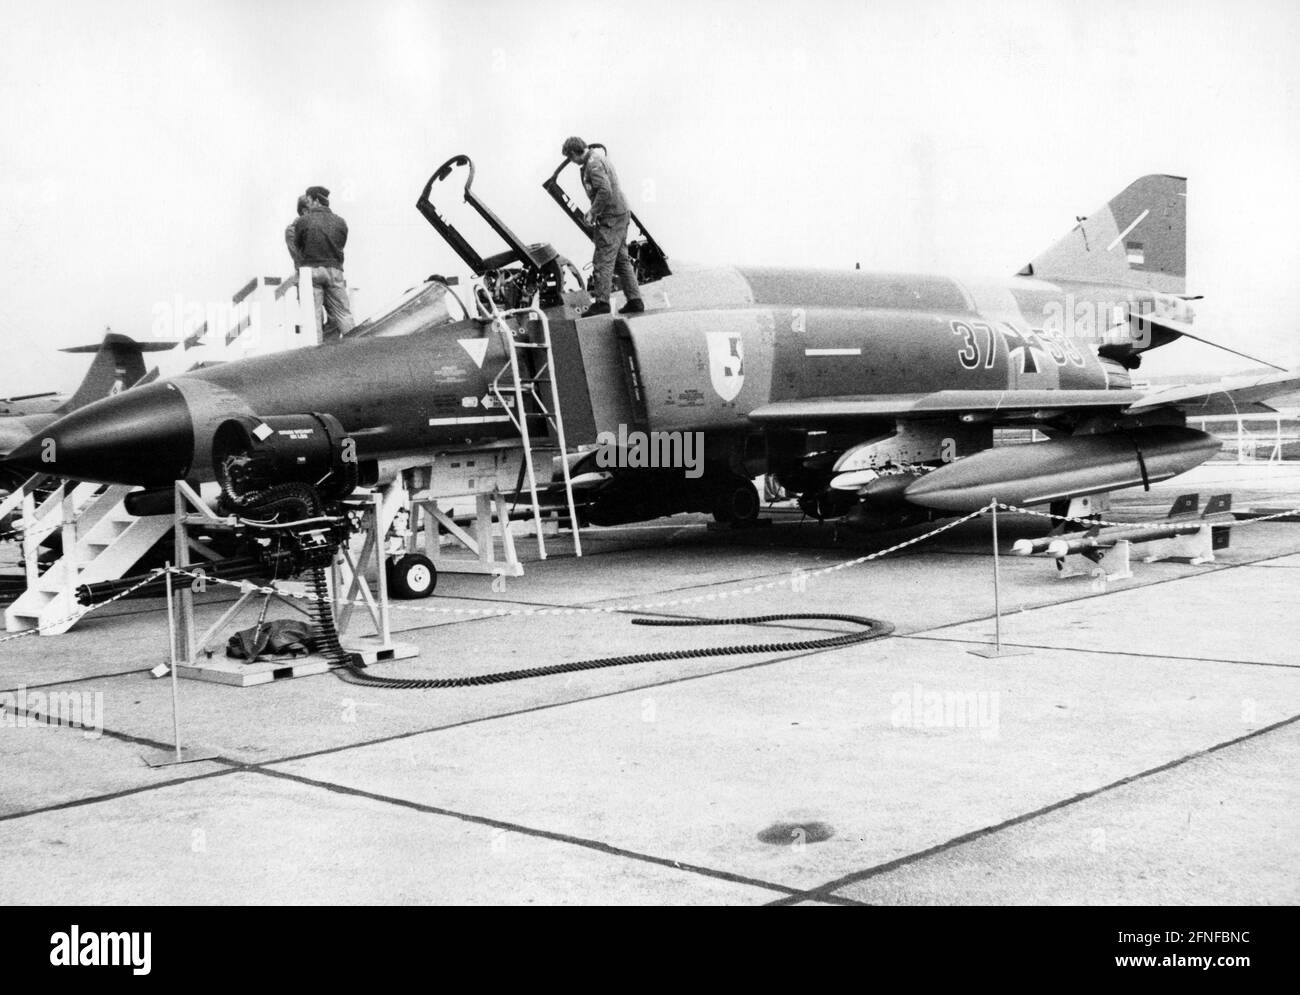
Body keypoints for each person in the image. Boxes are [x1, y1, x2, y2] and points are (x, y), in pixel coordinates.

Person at [561, 137, 644, 317]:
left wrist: (593, 211)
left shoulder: (593, 164)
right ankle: (635, 300)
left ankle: (601, 303)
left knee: (602, 259)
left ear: (574, 153)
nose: (572, 162)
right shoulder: (596, 159)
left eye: (571, 157)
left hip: (611, 218)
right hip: (620, 214)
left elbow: (605, 190)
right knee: (622, 260)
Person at [291, 185, 354, 341]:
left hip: (311, 271)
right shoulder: (341, 222)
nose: (309, 203)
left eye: (310, 200)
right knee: (344, 314)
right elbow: (341, 243)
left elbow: (299, 245)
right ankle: (356, 349)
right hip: (335, 270)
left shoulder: (302, 221)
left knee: (314, 318)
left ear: (316, 200)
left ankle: (315, 359)